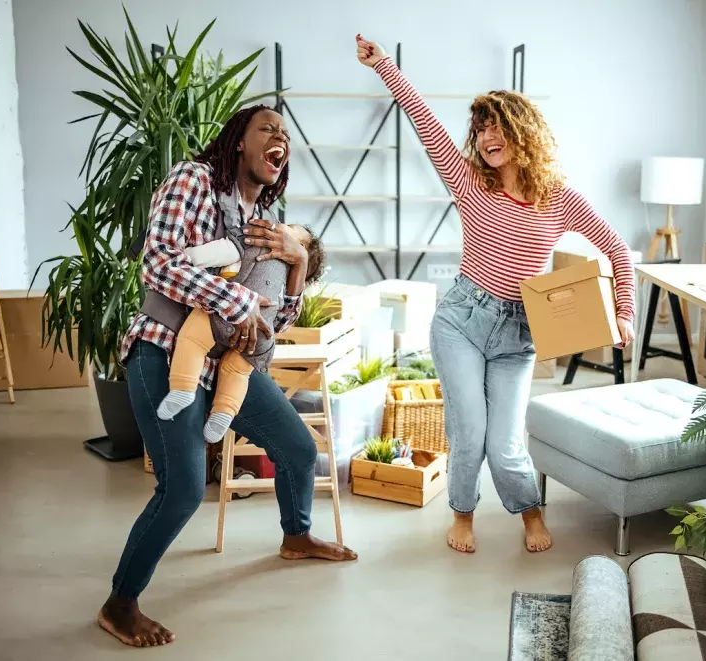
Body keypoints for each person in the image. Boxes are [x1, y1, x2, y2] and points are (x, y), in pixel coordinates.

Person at [355, 35, 636, 555]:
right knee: (469, 434)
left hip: (519, 334)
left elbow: (618, 251)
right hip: (461, 319)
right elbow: (422, 118)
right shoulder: (467, 182)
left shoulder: (559, 200)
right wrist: (384, 66)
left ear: (523, 132)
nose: (486, 137)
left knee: (505, 445)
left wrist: (623, 314)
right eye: (480, 128)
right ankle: (462, 515)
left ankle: (529, 512)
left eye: (497, 126)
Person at [98, 105, 356, 649]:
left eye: (286, 134)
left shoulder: (265, 217)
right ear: (239, 140)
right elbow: (158, 263)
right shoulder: (192, 178)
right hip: (166, 351)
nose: (279, 138)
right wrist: (238, 301)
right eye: (268, 128)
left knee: (300, 450)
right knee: (184, 489)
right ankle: (120, 603)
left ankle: (296, 536)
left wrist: (298, 265)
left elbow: (271, 325)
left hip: (229, 365)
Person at [155, 223, 327, 444]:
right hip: (261, 339)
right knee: (237, 371)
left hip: (224, 316)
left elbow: (224, 250)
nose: (282, 224)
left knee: (192, 340)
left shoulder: (259, 240)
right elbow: (281, 321)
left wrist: (190, 257)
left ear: (298, 246)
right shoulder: (288, 281)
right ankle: (224, 413)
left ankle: (183, 387)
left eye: (291, 227)